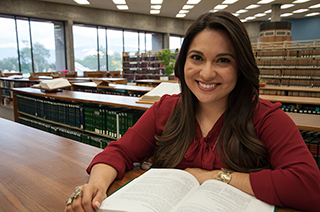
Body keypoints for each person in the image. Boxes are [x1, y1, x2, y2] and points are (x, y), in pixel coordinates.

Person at [65, 11, 320, 212]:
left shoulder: (266, 118)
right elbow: (119, 152)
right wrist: (96, 185)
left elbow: (309, 186)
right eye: (197, 58)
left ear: (241, 67)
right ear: (183, 61)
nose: (207, 73)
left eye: (223, 60)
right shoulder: (165, 110)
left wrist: (215, 177)